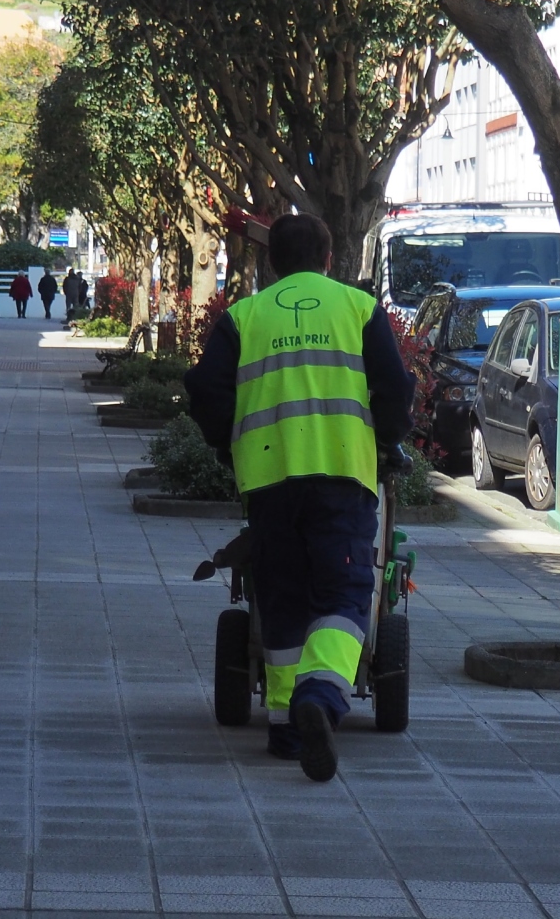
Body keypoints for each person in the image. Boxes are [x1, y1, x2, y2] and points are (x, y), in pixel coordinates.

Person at [184, 214, 413, 782]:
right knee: (345, 592)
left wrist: (225, 446)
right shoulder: (358, 309)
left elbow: (205, 390)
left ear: (272, 264)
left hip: (268, 481)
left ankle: (287, 729)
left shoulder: (245, 316)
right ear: (330, 259)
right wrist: (387, 441)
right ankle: (321, 694)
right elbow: (396, 387)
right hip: (341, 477)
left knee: (281, 596)